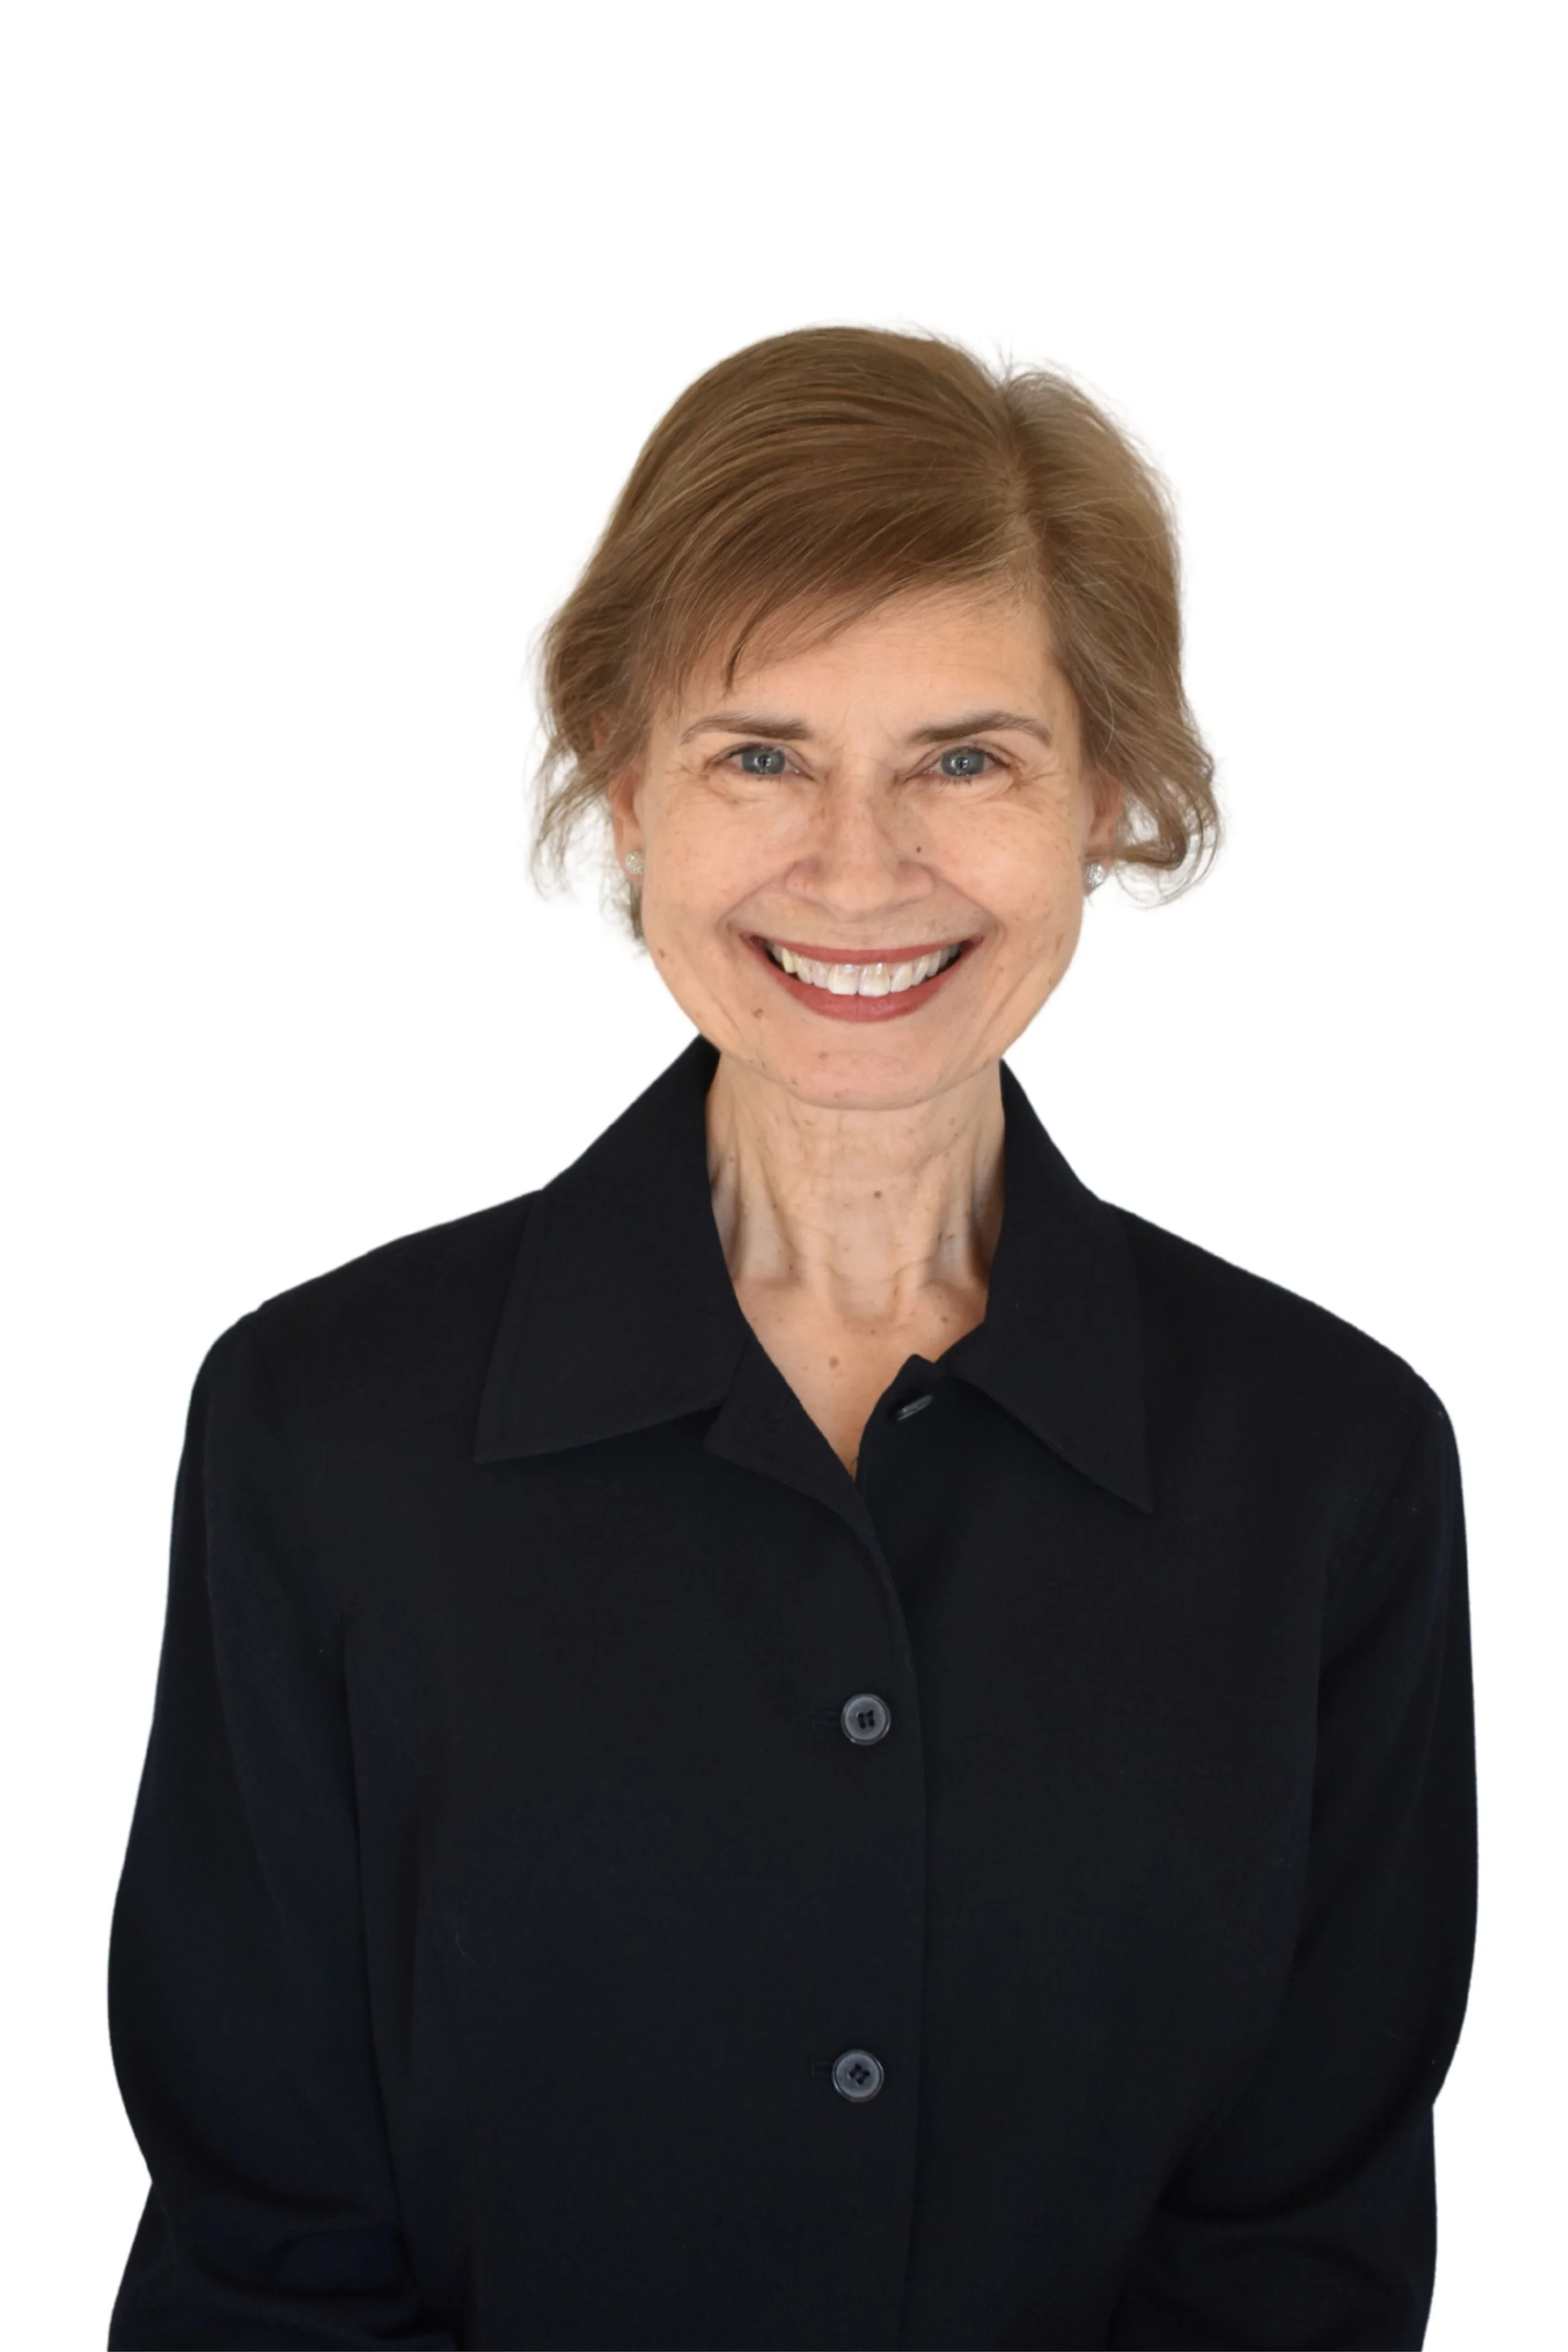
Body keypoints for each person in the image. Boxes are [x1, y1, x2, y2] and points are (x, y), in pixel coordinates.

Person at [107, 326, 1476, 2351]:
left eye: (964, 756)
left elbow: (1297, 2254)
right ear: (621, 775)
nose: (859, 865)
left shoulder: (1328, 1465)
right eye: (760, 752)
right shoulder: (323, 1431)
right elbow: (268, 2244)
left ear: (1102, 788)